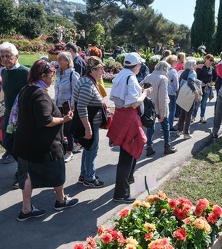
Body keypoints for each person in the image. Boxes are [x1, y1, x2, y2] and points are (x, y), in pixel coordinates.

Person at [13, 60, 78, 221]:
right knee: (57, 171)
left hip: (25, 143)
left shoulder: (26, 89)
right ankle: (61, 200)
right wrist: (63, 119)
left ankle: (26, 209)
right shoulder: (40, 93)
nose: (53, 79)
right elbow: (46, 120)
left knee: (27, 175)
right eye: (51, 75)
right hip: (45, 145)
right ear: (43, 75)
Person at [107, 52, 151, 203]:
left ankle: (127, 181)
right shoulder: (130, 77)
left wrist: (139, 89)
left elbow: (119, 96)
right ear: (136, 66)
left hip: (121, 115)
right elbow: (134, 103)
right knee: (127, 156)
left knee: (126, 155)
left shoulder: (121, 74)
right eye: (140, 65)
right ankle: (121, 193)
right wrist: (144, 93)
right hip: (129, 116)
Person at [0, 42, 29, 188]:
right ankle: (26, 168)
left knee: (20, 146)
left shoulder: (25, 72)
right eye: (2, 56)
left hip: (22, 117)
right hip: (8, 115)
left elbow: (35, 91)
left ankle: (23, 174)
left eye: (8, 56)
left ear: (16, 56)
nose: (5, 59)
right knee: (7, 143)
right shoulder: (4, 72)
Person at [72, 56, 105, 188]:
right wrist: (88, 128)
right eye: (100, 69)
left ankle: (85, 174)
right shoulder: (87, 84)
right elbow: (81, 106)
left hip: (90, 122)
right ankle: (89, 178)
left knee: (88, 148)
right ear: (93, 70)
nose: (102, 72)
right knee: (92, 150)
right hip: (89, 123)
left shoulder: (87, 81)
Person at [143, 61, 177, 156]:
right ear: (165, 69)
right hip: (159, 107)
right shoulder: (163, 78)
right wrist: (162, 114)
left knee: (150, 127)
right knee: (166, 128)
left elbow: (140, 87)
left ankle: (149, 147)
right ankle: (167, 146)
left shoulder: (148, 76)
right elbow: (162, 98)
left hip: (149, 106)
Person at [55, 51, 81, 162]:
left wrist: (72, 106)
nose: (58, 61)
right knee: (60, 128)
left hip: (68, 106)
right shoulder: (59, 73)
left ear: (67, 61)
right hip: (58, 104)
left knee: (68, 129)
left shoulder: (72, 74)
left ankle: (69, 152)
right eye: (58, 59)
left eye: (61, 59)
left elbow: (75, 92)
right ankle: (69, 146)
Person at [176, 59, 200, 139]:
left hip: (182, 94)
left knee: (182, 113)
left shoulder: (183, 72)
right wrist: (196, 92)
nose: (196, 66)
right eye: (195, 64)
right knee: (188, 114)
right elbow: (190, 82)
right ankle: (186, 133)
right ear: (192, 65)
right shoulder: (192, 72)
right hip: (189, 95)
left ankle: (179, 130)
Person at [192, 54, 217, 123]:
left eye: (212, 60)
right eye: (210, 60)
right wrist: (199, 83)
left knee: (204, 103)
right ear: (206, 59)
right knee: (197, 102)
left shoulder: (211, 68)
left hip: (207, 87)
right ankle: (193, 116)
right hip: (200, 87)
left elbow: (215, 76)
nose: (211, 62)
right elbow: (196, 77)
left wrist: (211, 82)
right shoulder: (201, 67)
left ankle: (202, 117)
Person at [165, 55, 179, 131]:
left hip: (164, 90)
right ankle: (170, 125)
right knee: (172, 109)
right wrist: (177, 90)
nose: (177, 62)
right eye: (176, 61)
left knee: (165, 109)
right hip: (171, 91)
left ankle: (164, 125)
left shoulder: (164, 70)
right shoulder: (173, 71)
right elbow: (176, 83)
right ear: (172, 62)